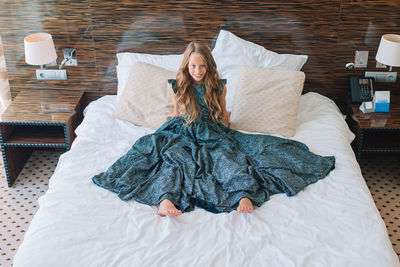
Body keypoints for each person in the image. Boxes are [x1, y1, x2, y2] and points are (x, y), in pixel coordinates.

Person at [92, 41, 335, 217]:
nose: (197, 72)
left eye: (202, 67)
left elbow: (221, 115)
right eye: (193, 67)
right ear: (187, 66)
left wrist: (226, 128)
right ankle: (166, 199)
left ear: (209, 66)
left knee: (227, 156)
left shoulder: (218, 87)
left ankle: (243, 194)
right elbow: (176, 114)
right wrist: (165, 132)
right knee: (173, 159)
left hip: (211, 130)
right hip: (181, 129)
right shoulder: (177, 86)